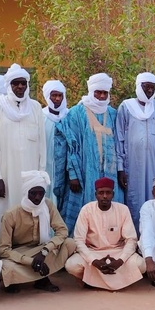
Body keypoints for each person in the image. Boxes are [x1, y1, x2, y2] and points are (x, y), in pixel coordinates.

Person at [0, 64, 46, 238]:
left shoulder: (35, 107)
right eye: (15, 83)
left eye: (23, 83)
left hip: (31, 172)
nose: (20, 87)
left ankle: (28, 249)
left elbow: (42, 143)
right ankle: (3, 249)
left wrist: (41, 175)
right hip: (6, 172)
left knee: (30, 209)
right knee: (5, 211)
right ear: (9, 85)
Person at [58, 72, 118, 232]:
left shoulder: (112, 113)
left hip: (109, 172)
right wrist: (73, 175)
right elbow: (71, 146)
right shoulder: (76, 113)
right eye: (98, 92)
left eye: (105, 93)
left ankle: (107, 240)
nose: (101, 96)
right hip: (85, 173)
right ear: (91, 91)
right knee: (85, 207)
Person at [0, 171, 76, 293]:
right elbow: (3, 250)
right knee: (7, 267)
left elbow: (62, 231)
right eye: (33, 193)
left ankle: (41, 280)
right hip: (20, 254)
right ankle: (21, 279)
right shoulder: (11, 215)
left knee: (70, 244)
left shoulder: (48, 205)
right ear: (26, 192)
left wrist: (45, 251)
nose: (37, 198)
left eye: (41, 193)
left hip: (42, 250)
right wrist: (31, 261)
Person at [65, 177, 145, 291]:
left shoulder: (123, 210)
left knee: (141, 265)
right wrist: (94, 261)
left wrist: (120, 261)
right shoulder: (86, 210)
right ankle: (92, 280)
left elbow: (131, 239)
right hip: (93, 251)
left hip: (117, 252)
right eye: (101, 193)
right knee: (72, 265)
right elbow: (78, 240)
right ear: (95, 194)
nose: (104, 196)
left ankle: (93, 281)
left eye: (108, 193)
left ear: (113, 194)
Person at [116, 72, 155, 231]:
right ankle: (134, 239)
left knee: (153, 198)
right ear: (138, 86)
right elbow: (119, 138)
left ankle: (153, 238)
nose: (149, 91)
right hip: (132, 164)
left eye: (152, 88)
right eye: (146, 87)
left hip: (154, 164)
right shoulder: (126, 107)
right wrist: (120, 168)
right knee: (134, 200)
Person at [41, 80, 69, 208]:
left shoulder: (69, 117)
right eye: (54, 95)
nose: (57, 99)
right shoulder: (40, 116)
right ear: (48, 96)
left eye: (60, 95)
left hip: (65, 169)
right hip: (45, 166)